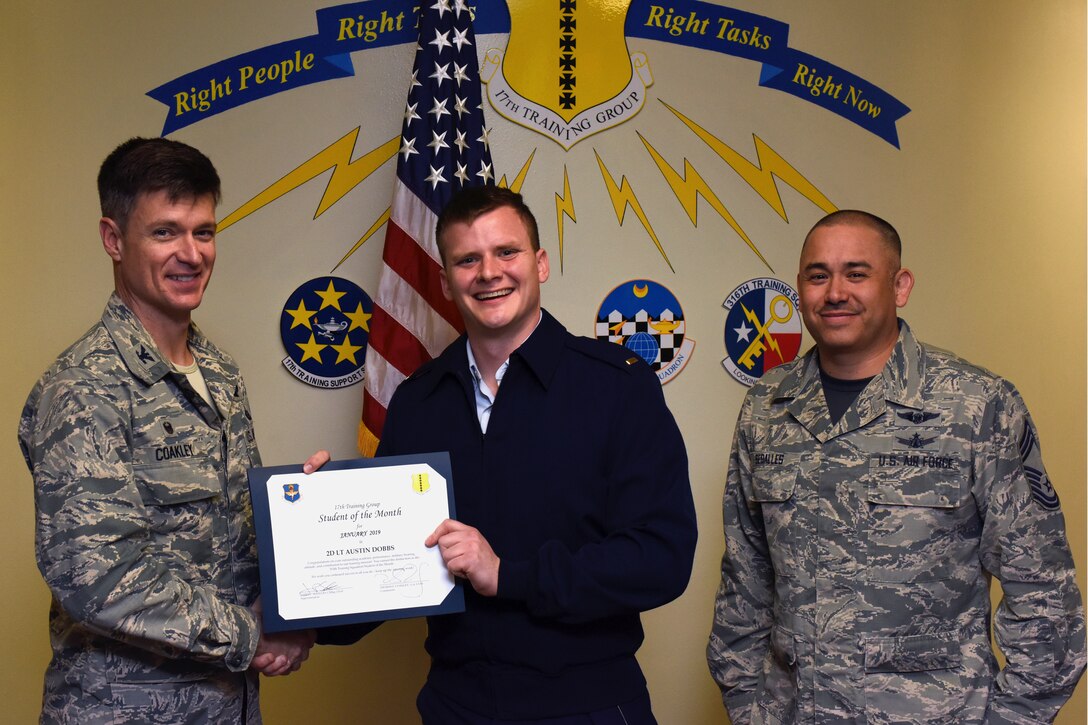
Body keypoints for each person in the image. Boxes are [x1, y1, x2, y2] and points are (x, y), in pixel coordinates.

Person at [320, 186, 697, 723]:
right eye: (467, 260)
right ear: (446, 281)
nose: (489, 273)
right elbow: (388, 563)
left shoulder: (617, 388)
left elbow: (661, 559)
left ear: (539, 263)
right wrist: (318, 537)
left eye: (506, 252)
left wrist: (508, 575)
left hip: (589, 706)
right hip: (457, 706)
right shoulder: (418, 401)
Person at [707, 209, 1086, 723]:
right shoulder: (767, 405)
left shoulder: (975, 405)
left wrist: (1012, 717)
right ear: (799, 288)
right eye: (818, 276)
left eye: (856, 273)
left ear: (900, 286)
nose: (835, 292)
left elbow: (1042, 587)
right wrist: (747, 705)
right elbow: (745, 576)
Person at [19, 137, 325, 724]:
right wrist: (251, 635)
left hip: (226, 707)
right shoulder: (84, 388)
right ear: (113, 239)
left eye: (203, 232)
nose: (191, 254)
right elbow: (95, 574)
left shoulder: (220, 372)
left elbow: (233, 542)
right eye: (165, 232)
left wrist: (313, 519)